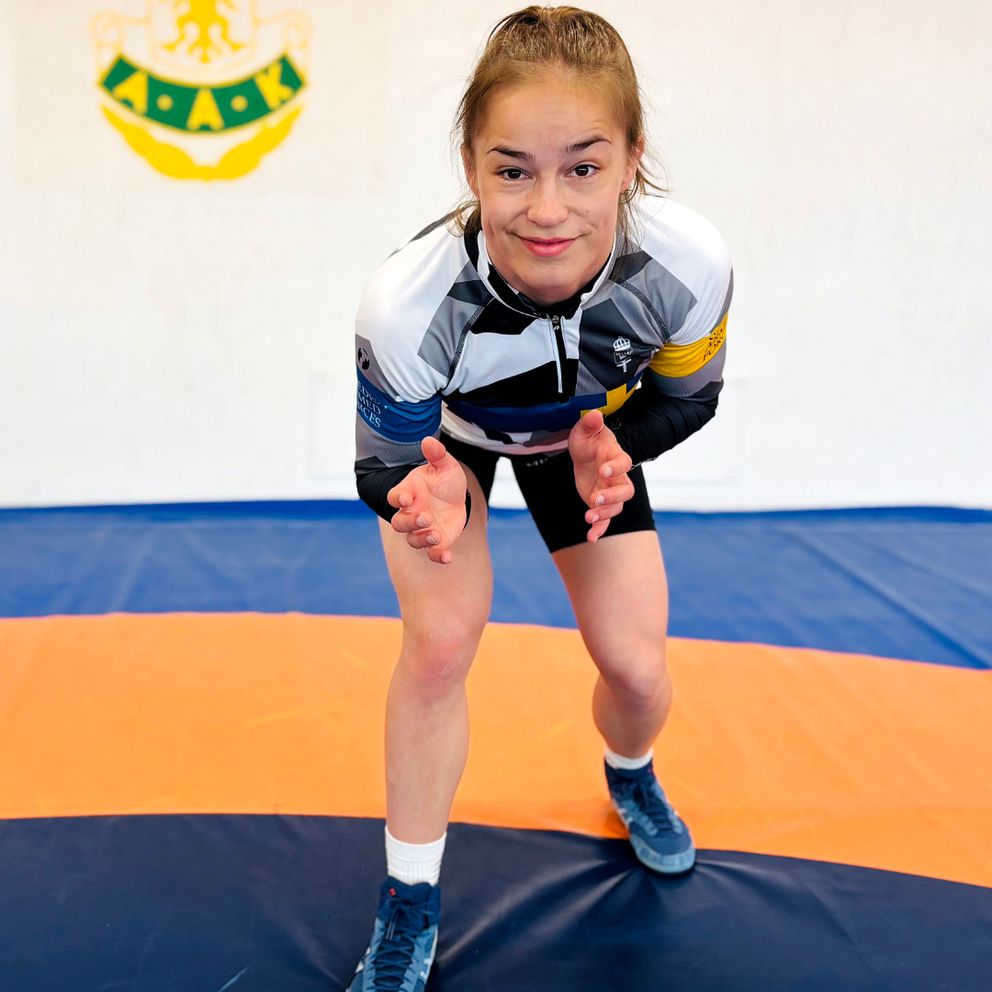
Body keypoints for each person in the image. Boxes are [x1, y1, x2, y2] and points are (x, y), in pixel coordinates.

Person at [348, 7, 732, 990]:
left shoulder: (685, 265)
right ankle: (408, 896)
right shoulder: (408, 303)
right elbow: (380, 466)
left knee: (637, 670)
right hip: (448, 448)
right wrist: (416, 495)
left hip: (585, 441)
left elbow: (690, 395)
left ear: (632, 161)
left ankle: (629, 772)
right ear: (470, 168)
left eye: (583, 168)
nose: (547, 209)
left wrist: (622, 447)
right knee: (439, 644)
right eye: (513, 171)